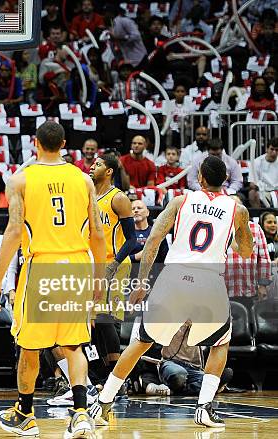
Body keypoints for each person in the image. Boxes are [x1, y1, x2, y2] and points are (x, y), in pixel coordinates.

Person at [90, 155, 254, 428]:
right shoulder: (237, 209)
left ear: (199, 178)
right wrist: (237, 235)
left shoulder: (180, 201)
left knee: (141, 341)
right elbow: (246, 251)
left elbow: (153, 240)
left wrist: (142, 283)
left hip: (175, 276)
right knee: (220, 343)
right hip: (208, 281)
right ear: (225, 179)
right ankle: (204, 408)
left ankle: (103, 402)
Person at [0, 121, 106, 438]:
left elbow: (13, 232)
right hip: (77, 265)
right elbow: (97, 233)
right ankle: (80, 413)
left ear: (34, 143)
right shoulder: (83, 180)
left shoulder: (20, 180)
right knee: (74, 345)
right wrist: (99, 279)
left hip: (42, 265)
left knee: (29, 347)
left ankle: (25, 412)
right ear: (64, 144)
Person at [88, 155, 136, 375]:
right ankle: (106, 373)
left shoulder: (118, 198)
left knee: (107, 319)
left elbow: (132, 240)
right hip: (94, 265)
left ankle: (117, 377)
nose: (91, 166)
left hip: (114, 265)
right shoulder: (89, 197)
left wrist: (114, 263)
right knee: (95, 322)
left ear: (109, 171)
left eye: (98, 164)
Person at [225, 197, 272, 309]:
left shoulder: (255, 228)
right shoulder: (217, 229)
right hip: (223, 292)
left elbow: (264, 258)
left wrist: (263, 285)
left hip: (250, 291)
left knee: (249, 325)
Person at [249, 138, 278, 208]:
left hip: (277, 191)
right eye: (272, 149)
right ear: (266, 149)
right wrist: (258, 186)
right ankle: (258, 216)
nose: (274, 152)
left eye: (277, 150)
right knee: (252, 193)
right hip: (263, 191)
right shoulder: (256, 162)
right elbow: (252, 183)